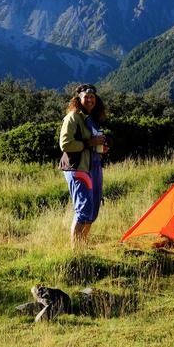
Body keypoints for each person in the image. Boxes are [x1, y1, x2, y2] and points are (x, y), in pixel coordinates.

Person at [59, 83, 108, 246]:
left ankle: (83, 246)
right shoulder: (72, 117)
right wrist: (89, 143)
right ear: (78, 99)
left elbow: (91, 142)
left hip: (92, 167)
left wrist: (99, 148)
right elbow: (65, 144)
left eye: (92, 97)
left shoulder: (90, 119)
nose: (89, 100)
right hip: (77, 168)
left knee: (92, 209)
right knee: (83, 210)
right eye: (86, 97)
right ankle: (76, 253)